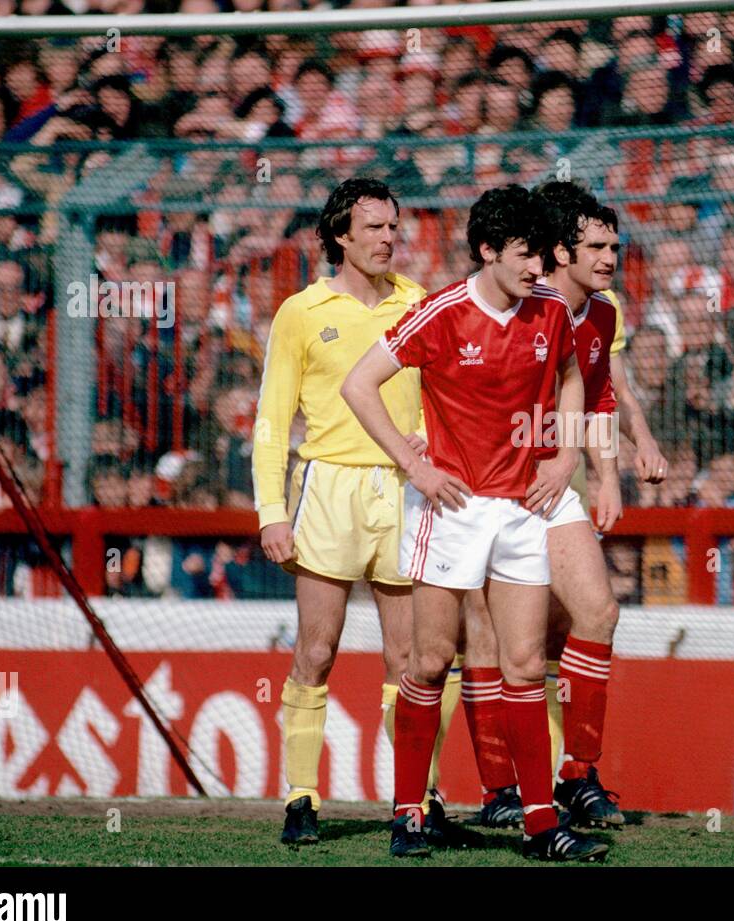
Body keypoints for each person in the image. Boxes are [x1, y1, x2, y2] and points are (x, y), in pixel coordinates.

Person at [344, 184, 607, 861]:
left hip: (523, 511)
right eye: (525, 257)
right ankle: (409, 813)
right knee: (431, 661)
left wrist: (568, 452)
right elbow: (357, 385)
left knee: (524, 664)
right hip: (452, 511)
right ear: (489, 251)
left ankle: (542, 825)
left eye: (544, 259)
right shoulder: (440, 314)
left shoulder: (550, 308)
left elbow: (574, 373)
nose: (539, 272)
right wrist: (416, 466)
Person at [459, 181, 668, 830]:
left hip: (554, 482)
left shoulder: (602, 316)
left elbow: (600, 400)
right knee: (485, 639)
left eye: (615, 246)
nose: (610, 258)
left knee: (596, 612)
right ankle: (498, 791)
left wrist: (606, 476)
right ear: (561, 252)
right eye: (596, 247)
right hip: (484, 482)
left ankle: (576, 774)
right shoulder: (526, 302)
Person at [253, 178, 437, 846]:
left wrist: (434, 443)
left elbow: (444, 394)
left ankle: (415, 802)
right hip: (328, 489)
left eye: (394, 227)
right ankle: (301, 798)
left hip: (404, 491)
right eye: (375, 228)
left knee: (412, 657)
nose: (389, 239)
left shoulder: (419, 303)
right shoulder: (302, 312)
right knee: (317, 648)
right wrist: (272, 511)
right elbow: (273, 421)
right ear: (340, 235)